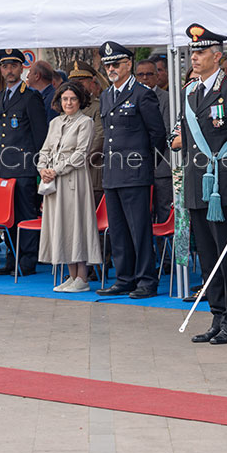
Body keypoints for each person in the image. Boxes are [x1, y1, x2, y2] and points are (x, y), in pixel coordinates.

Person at [179, 24, 227, 344]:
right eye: (192, 52)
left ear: (217, 56)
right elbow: (188, 145)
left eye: (200, 52)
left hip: (222, 185)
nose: (193, 58)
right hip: (199, 184)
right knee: (208, 257)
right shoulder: (191, 92)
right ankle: (218, 314)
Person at [96, 41, 166, 299]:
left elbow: (157, 134)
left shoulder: (141, 93)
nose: (111, 69)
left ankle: (146, 280)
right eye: (107, 65)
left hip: (135, 173)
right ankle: (124, 278)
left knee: (139, 229)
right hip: (113, 173)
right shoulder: (106, 95)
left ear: (128, 65)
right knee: (118, 229)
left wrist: (145, 164)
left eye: (115, 64)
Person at [37, 82, 102, 291]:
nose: (68, 103)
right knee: (61, 225)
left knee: (76, 225)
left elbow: (80, 153)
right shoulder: (55, 123)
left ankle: (82, 277)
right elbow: (45, 149)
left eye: (72, 99)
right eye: (65, 99)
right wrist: (42, 169)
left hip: (73, 180)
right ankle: (71, 274)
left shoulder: (85, 122)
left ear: (80, 100)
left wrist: (56, 170)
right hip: (54, 181)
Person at [0, 49, 49, 277]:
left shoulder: (30, 96)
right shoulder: (1, 96)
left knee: (25, 215)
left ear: (22, 67)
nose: (9, 71)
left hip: (25, 166)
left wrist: (38, 165)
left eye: (13, 66)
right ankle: (11, 257)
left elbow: (40, 135)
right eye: (5, 67)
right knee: (9, 216)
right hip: (6, 166)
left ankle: (26, 261)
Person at [135, 58, 173, 223]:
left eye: (149, 74)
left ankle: (163, 248)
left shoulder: (167, 98)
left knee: (164, 211)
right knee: (142, 214)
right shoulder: (131, 97)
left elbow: (165, 130)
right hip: (136, 167)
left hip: (162, 166)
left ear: (157, 76)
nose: (145, 78)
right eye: (140, 74)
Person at [67, 60, 105, 206]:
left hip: (90, 172)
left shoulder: (97, 107)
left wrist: (77, 163)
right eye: (74, 81)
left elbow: (98, 139)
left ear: (91, 82)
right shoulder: (67, 109)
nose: (77, 85)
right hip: (68, 175)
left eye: (81, 81)